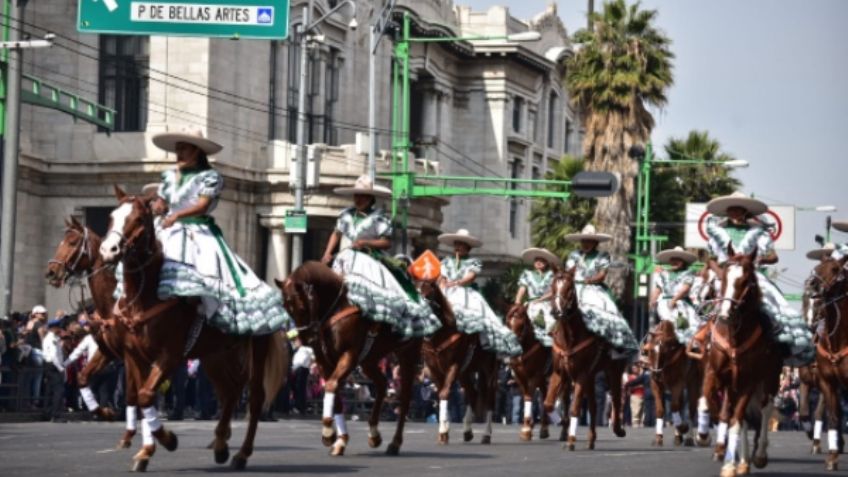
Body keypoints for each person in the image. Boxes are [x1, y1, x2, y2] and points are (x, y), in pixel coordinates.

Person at [147, 128, 290, 336]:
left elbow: (202, 205)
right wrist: (155, 207)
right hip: (167, 227)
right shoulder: (169, 176)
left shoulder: (210, 176)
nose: (179, 153)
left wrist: (177, 215)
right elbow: (161, 203)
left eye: (184, 148)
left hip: (198, 231)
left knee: (207, 274)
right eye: (177, 149)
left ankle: (200, 313)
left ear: (196, 151)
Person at [321, 174, 440, 338]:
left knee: (382, 287)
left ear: (370, 198)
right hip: (345, 258)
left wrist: (365, 242)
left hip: (368, 259)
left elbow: (386, 243)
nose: (358, 199)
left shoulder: (380, 217)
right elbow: (336, 234)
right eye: (356, 195)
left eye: (362, 196)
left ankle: (379, 324)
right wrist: (327, 253)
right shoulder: (346, 214)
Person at [702, 192, 813, 366]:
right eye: (731, 209)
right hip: (724, 275)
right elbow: (710, 259)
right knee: (700, 301)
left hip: (751, 274)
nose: (734, 212)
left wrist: (760, 259)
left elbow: (773, 256)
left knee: (773, 303)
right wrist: (721, 274)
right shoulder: (719, 232)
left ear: (744, 211)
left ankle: (777, 339)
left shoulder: (758, 233)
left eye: (737, 209)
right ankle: (697, 340)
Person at [438, 228, 521, 357]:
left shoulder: (474, 262)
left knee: (483, 318)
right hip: (447, 291)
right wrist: (443, 290)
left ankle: (480, 343)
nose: (457, 247)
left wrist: (455, 283)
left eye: (461, 245)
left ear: (467, 247)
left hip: (465, 293)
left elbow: (470, 277)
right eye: (456, 244)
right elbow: (442, 278)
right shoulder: (445, 261)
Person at [563, 224, 639, 360]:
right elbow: (569, 273)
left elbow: (602, 275)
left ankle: (618, 344)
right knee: (557, 306)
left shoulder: (602, 255)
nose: (586, 244)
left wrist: (589, 280)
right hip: (573, 287)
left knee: (609, 310)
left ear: (595, 243)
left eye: (589, 241)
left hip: (594, 288)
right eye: (584, 240)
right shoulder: (573, 255)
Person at [649, 246, 701, 344]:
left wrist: (675, 300)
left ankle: (691, 346)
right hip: (665, 303)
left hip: (683, 303)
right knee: (666, 321)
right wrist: (652, 300)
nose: (674, 262)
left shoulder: (688, 273)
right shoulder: (663, 274)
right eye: (672, 260)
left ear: (683, 262)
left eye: (678, 260)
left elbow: (685, 288)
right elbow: (658, 289)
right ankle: (651, 347)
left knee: (693, 323)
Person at [514, 248, 560, 347]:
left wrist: (541, 299)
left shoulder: (552, 275)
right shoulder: (527, 274)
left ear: (547, 263)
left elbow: (554, 291)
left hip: (547, 305)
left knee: (554, 325)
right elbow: (522, 290)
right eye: (537, 260)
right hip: (531, 304)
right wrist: (517, 304)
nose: (539, 262)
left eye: (542, 260)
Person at [42, 319, 66, 422]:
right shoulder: (51, 339)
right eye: (58, 327)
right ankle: (55, 415)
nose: (59, 329)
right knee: (58, 391)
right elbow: (54, 356)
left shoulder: (55, 338)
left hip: (52, 366)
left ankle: (47, 413)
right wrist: (61, 369)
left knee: (50, 391)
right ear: (53, 328)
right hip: (53, 366)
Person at [291, 336, 314, 415]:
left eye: (296, 341)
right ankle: (301, 407)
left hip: (300, 369)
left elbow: (300, 361)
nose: (295, 343)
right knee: (300, 389)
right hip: (302, 369)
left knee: (299, 389)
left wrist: (293, 369)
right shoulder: (302, 350)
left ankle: (299, 407)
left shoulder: (304, 349)